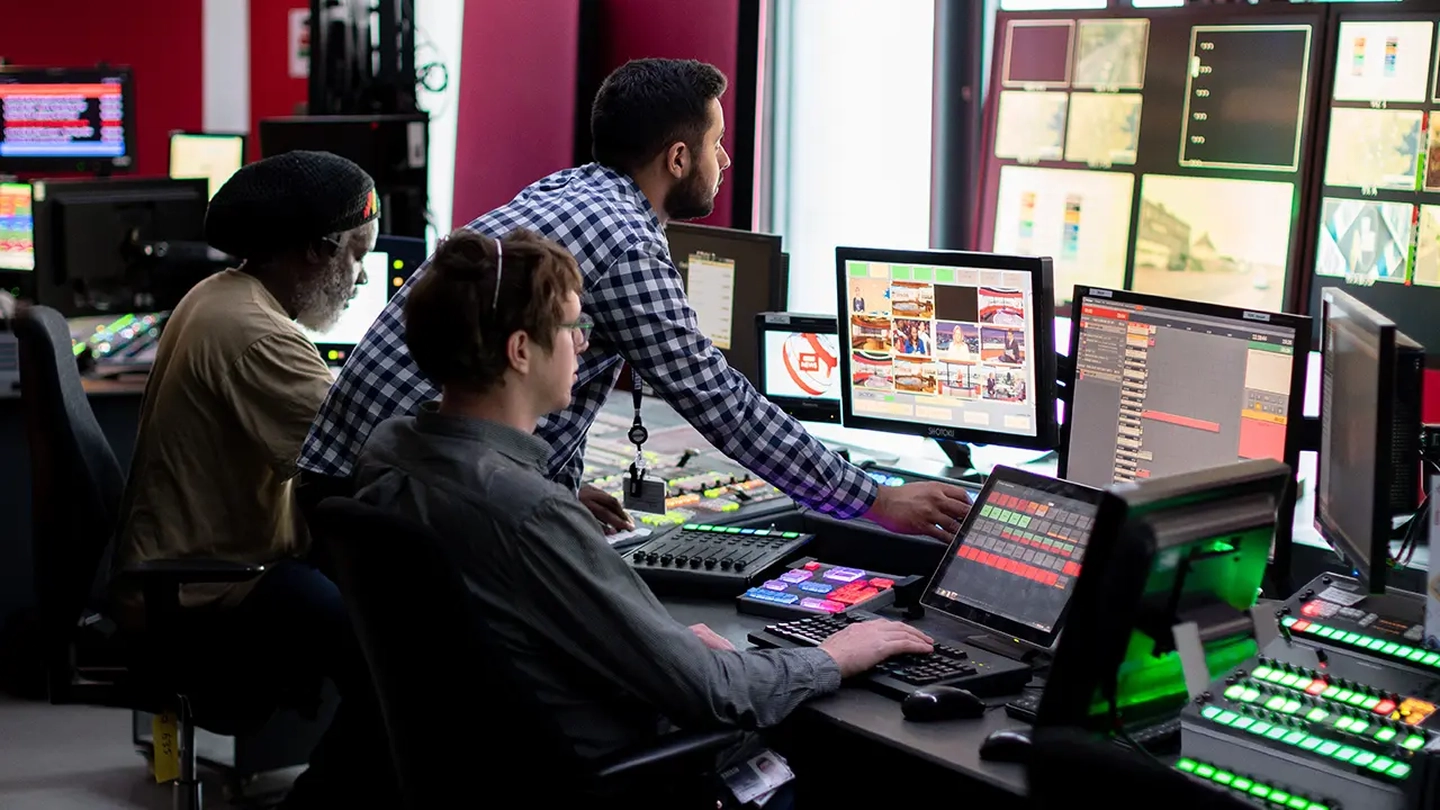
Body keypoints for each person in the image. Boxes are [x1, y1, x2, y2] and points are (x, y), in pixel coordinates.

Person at [299, 57, 971, 542]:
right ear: (678, 159)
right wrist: (875, 498)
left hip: (356, 487)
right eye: (716, 144)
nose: (726, 160)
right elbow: (718, 400)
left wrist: (555, 493)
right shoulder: (624, 241)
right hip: (417, 504)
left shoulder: (567, 190)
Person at [352, 228, 935, 779]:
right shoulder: (530, 512)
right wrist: (833, 654)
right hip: (623, 770)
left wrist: (667, 648)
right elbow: (715, 693)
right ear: (521, 351)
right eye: (572, 325)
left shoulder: (392, 451)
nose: (584, 342)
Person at [110, 150, 396, 808]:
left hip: (193, 580)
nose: (357, 277)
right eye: (355, 255)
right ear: (312, 253)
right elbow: (369, 454)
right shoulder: (258, 336)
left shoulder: (219, 297)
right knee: (401, 664)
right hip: (211, 601)